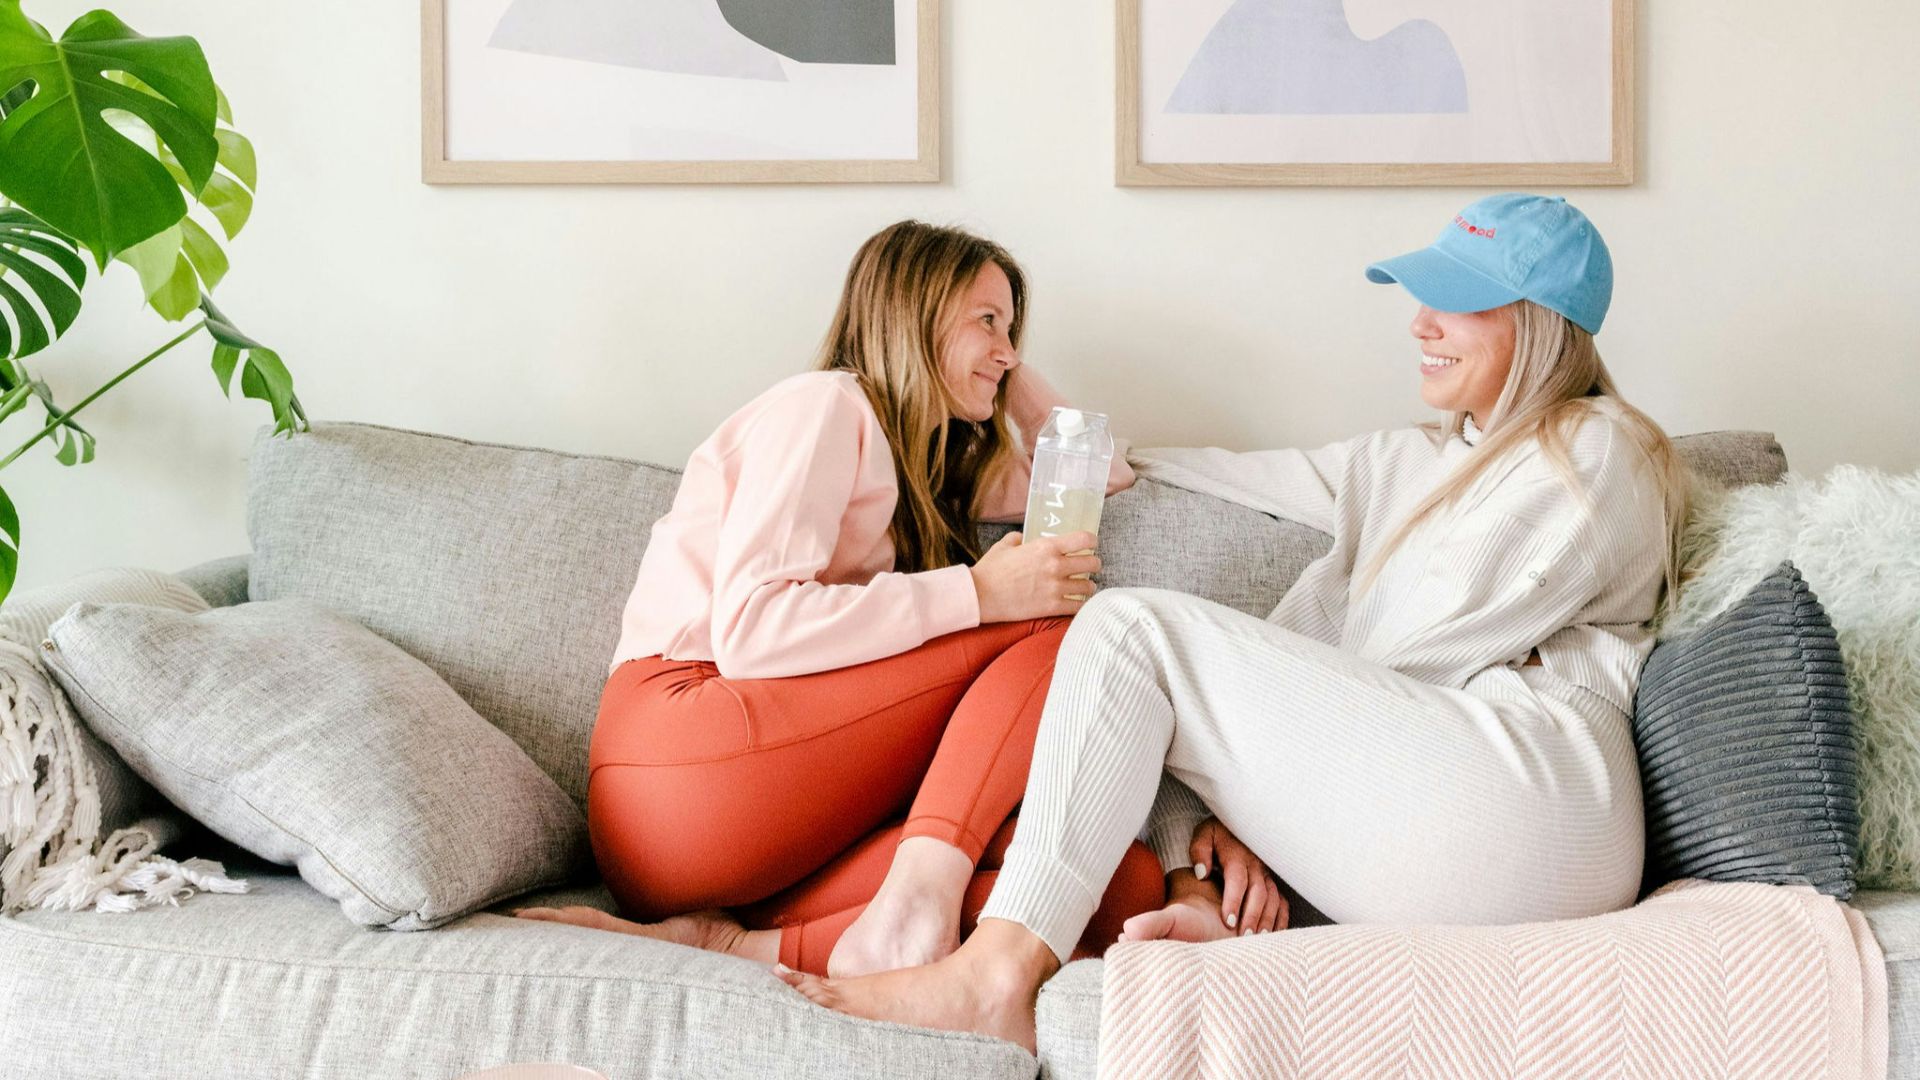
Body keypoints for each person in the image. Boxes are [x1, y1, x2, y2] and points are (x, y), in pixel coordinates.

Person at [776, 194, 1693, 1051]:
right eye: (1422, 297)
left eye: (1455, 300)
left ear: (1537, 321)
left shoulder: (1598, 446)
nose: (1420, 323)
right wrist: (1022, 391)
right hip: (1440, 818)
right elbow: (1165, 470)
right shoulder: (1405, 462)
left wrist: (1255, 796)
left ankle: (997, 976)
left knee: (1130, 631)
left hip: (1543, 804)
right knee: (1138, 652)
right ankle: (1201, 917)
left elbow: (1432, 639)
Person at [517, 221, 1266, 978]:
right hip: (682, 749)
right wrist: (976, 592)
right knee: (1061, 618)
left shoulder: (924, 467)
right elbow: (751, 628)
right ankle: (916, 905)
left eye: (1012, 329)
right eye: (986, 319)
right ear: (913, 312)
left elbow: (1102, 477)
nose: (1007, 349)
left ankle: (738, 945)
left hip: (749, 830)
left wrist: (1001, 362)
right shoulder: (825, 406)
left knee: (1116, 888)